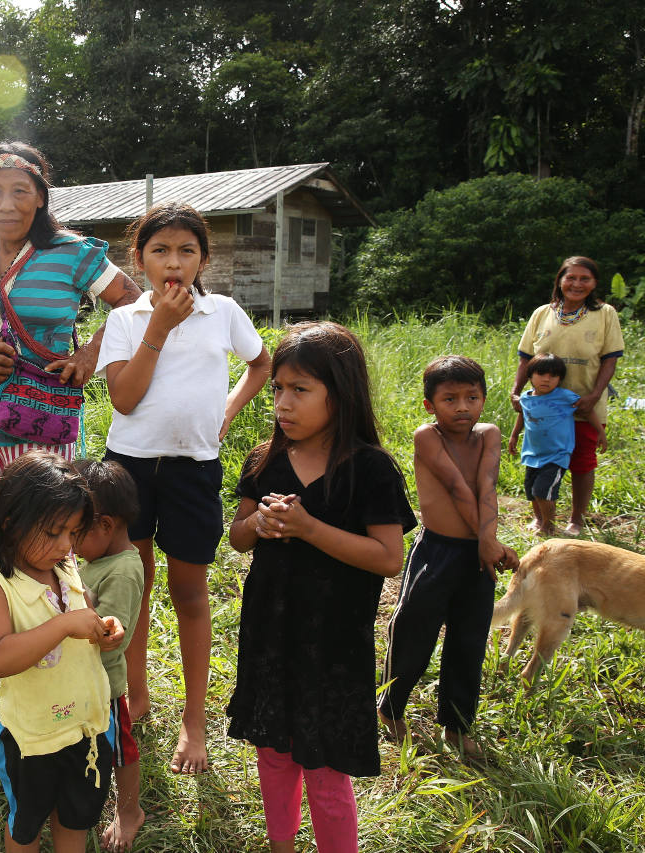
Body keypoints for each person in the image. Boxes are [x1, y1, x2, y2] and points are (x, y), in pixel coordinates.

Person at [0, 141, 142, 686]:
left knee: (53, 533)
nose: (6, 204)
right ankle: (5, 645)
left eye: (20, 191)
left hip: (43, 423)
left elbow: (134, 302)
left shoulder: (75, 253)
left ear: (41, 197)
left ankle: (64, 640)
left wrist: (90, 356)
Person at [227, 322, 416, 853]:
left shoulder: (370, 469)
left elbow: (388, 558)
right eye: (277, 389)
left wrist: (309, 528)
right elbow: (238, 537)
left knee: (326, 768)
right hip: (270, 635)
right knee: (274, 754)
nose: (283, 403)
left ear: (342, 392)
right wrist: (258, 523)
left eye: (300, 389)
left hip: (334, 647)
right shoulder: (265, 459)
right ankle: (281, 845)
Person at [96, 201, 271, 774]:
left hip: (194, 468)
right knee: (134, 584)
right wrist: (158, 327)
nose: (174, 263)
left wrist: (228, 410)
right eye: (160, 251)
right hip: (129, 468)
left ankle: (194, 720)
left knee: (189, 593)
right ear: (139, 258)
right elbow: (125, 399)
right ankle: (138, 692)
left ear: (203, 259)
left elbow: (261, 363)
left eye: (186, 251)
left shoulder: (223, 312)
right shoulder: (126, 320)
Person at [0, 451, 125, 853]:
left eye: (73, 533)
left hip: (88, 725)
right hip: (33, 738)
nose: (66, 545)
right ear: (11, 522)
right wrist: (65, 626)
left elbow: (83, 611)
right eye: (54, 532)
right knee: (27, 825)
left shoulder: (64, 565)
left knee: (75, 819)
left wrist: (102, 628)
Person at [377, 356, 520, 760]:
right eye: (450, 399)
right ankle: (390, 709)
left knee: (469, 641)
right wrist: (489, 542)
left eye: (472, 397)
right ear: (430, 405)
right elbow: (458, 488)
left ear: (484, 399)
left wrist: (486, 544)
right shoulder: (428, 436)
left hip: (477, 556)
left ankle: (457, 728)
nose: (462, 407)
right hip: (436, 551)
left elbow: (486, 486)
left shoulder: (489, 434)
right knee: (413, 632)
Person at [511, 256, 624, 535]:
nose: (576, 284)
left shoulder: (605, 314)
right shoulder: (542, 313)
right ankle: (541, 518)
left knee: (582, 461)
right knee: (540, 459)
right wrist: (516, 392)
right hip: (543, 408)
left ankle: (576, 520)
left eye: (585, 279)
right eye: (570, 277)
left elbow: (609, 361)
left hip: (584, 404)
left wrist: (594, 396)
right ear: (560, 280)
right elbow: (526, 358)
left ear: (594, 283)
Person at [71, 458, 145, 853]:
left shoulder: (123, 570)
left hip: (107, 686)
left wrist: (78, 602)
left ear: (104, 525)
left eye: (74, 533)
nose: (68, 545)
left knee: (121, 750)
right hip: (81, 679)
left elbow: (113, 636)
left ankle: (130, 810)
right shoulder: (98, 559)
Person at [508, 353, 586, 535]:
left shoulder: (565, 397)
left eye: (553, 376)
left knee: (543, 491)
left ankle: (548, 526)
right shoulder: (526, 398)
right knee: (531, 491)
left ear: (560, 379)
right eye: (541, 374)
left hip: (556, 455)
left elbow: (587, 411)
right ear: (530, 376)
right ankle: (539, 519)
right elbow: (523, 415)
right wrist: (514, 435)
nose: (546, 379)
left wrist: (600, 433)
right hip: (532, 454)